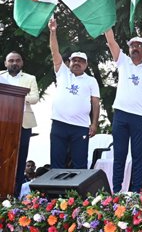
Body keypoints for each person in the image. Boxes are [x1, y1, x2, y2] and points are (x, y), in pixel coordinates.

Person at [104, 28, 142, 193]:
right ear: (129, 49)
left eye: (138, 45)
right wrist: (107, 25)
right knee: (119, 155)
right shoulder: (122, 61)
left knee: (138, 156)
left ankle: (135, 192)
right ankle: (116, 191)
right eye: (132, 46)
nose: (135, 48)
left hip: (140, 117)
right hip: (121, 114)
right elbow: (111, 42)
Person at [48, 17, 100, 169]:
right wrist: (53, 32)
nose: (77, 63)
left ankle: (78, 187)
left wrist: (94, 124)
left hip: (80, 126)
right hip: (59, 123)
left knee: (80, 164)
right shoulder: (62, 72)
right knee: (57, 163)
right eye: (74, 60)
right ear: (69, 62)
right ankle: (55, 186)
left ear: (86, 65)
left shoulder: (91, 81)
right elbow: (54, 51)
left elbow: (95, 103)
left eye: (81, 61)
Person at [1, 52, 39, 197]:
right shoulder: (0, 77)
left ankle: (15, 195)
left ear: (22, 63)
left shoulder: (30, 78)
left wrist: (17, 96)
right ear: (5, 63)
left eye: (17, 60)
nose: (14, 63)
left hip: (23, 124)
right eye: (11, 61)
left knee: (20, 159)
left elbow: (34, 98)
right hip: (2, 123)